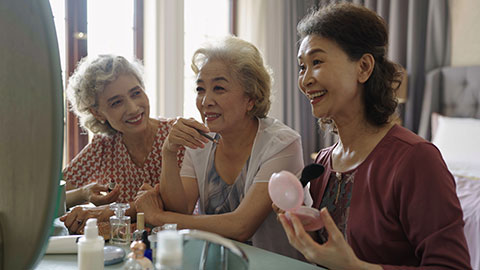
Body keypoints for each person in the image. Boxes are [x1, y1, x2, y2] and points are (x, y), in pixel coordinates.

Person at [277, 3, 472, 270]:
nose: (305, 80)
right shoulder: (322, 163)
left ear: (364, 67)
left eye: (317, 62)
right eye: (302, 67)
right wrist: (304, 232)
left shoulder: (416, 160)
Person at [135, 36, 306, 260]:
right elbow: (181, 210)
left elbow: (241, 226)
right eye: (200, 89)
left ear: (251, 98)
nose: (205, 101)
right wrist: (169, 151)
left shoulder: (282, 144)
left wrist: (157, 217)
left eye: (219, 88)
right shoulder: (201, 141)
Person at [60, 54, 184, 234]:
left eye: (136, 93)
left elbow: (171, 203)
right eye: (116, 102)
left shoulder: (175, 135)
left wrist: (105, 212)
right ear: (97, 113)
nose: (133, 108)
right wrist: (83, 194)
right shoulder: (103, 145)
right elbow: (53, 198)